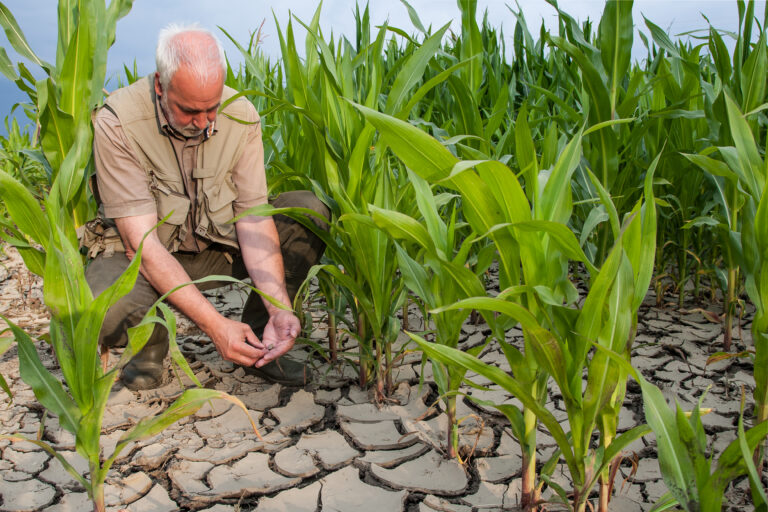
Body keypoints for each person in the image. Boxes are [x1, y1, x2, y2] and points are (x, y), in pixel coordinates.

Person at [82, 23, 328, 390]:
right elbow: (142, 247)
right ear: (160, 86)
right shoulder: (118, 122)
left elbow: (254, 220)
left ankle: (261, 342)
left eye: (212, 108)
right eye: (189, 111)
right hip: (145, 258)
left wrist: (279, 306)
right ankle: (149, 347)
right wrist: (216, 327)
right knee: (99, 306)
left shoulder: (240, 114)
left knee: (307, 211)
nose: (203, 122)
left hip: (217, 249)